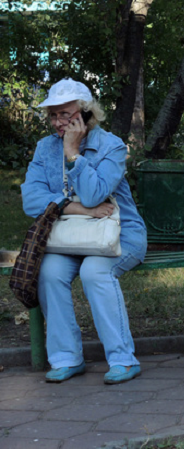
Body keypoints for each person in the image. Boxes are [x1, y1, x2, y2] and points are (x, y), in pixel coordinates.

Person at [21, 78, 147, 384]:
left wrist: (74, 153)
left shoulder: (111, 146)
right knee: (49, 272)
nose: (58, 122)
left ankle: (122, 359)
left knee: (94, 272)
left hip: (119, 235)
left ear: (87, 113)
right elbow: (31, 199)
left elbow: (94, 193)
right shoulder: (44, 148)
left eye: (65, 114)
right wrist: (77, 210)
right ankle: (66, 358)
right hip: (70, 237)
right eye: (53, 115)